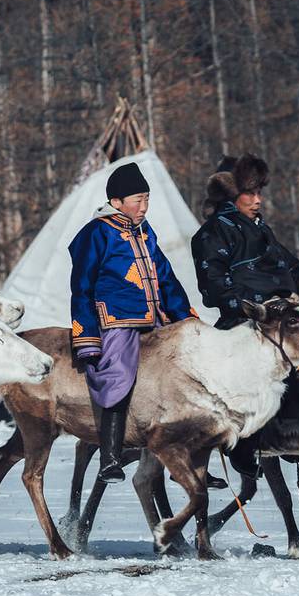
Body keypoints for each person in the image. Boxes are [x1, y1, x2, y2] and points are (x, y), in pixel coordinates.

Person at [190, 155, 299, 475]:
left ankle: (296, 439)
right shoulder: (211, 234)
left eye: (260, 192)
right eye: (251, 193)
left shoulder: (262, 231)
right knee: (255, 377)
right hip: (245, 320)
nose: (258, 200)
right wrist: (258, 305)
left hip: (283, 316)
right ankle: (243, 443)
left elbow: (294, 270)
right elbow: (214, 286)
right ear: (232, 195)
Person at [69, 162, 198, 483]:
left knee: (184, 374)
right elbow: (81, 284)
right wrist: (85, 335)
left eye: (147, 199)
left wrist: (185, 319)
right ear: (116, 202)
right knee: (119, 375)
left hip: (154, 320)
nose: (144, 206)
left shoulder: (145, 231)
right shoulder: (96, 233)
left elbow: (165, 276)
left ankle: (189, 454)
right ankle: (109, 457)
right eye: (137, 200)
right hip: (116, 321)